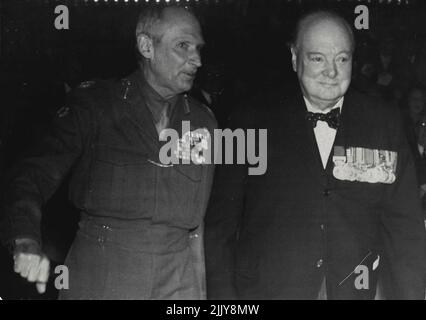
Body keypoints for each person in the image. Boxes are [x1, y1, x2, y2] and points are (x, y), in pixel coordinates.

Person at [204, 10, 426, 300]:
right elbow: (220, 227)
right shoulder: (247, 119)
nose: (331, 72)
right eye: (317, 58)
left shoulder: (385, 122)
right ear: (295, 58)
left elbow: (404, 231)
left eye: (342, 59)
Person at [0, 5, 216, 299]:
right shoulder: (96, 105)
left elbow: (196, 227)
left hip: (177, 282)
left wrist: (198, 293)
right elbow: (31, 175)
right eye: (183, 46)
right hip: (103, 273)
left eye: (198, 48)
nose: (197, 59)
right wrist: (25, 240)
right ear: (146, 45)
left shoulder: (203, 122)